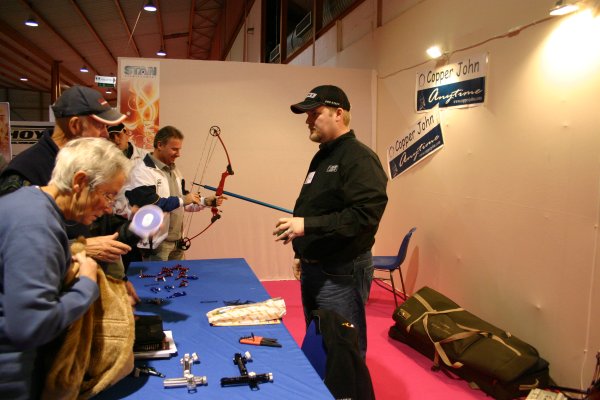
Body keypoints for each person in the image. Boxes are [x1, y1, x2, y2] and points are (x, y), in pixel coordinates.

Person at [0, 137, 132, 399]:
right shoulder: (36, 226)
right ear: (80, 181)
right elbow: (30, 327)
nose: (108, 208)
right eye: (107, 195)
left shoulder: (28, 203)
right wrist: (86, 283)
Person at [274, 85, 388, 357]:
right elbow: (319, 207)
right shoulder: (323, 155)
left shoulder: (360, 158)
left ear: (338, 114)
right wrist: (303, 251)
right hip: (316, 268)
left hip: (342, 271)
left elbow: (365, 216)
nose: (308, 120)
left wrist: (307, 226)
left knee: (343, 347)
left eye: (315, 113)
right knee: (318, 342)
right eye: (307, 114)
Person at [0, 86, 132, 265]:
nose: (106, 134)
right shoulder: (25, 171)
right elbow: (11, 247)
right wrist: (77, 248)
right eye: (100, 126)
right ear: (75, 125)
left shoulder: (90, 165)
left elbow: (101, 227)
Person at [124, 125, 224, 261]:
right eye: (174, 149)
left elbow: (184, 202)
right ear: (160, 145)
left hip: (177, 243)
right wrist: (184, 200)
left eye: (179, 149)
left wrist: (205, 202)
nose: (178, 154)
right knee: (157, 282)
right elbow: (152, 205)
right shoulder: (142, 172)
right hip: (156, 245)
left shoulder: (175, 171)